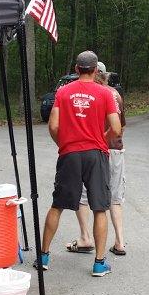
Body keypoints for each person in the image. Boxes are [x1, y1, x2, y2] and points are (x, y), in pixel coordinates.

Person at [38, 51, 122, 277]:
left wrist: (63, 143)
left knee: (57, 205)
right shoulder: (105, 93)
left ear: (76, 69)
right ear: (96, 71)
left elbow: (53, 125)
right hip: (96, 154)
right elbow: (116, 128)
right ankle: (99, 264)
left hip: (70, 154)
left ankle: (44, 257)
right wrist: (101, 139)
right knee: (100, 208)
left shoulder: (63, 92)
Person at [69, 61, 127, 256]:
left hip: (93, 149)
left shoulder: (90, 94)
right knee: (115, 197)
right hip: (116, 149)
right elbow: (121, 126)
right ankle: (119, 242)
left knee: (83, 194)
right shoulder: (116, 94)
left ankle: (85, 237)